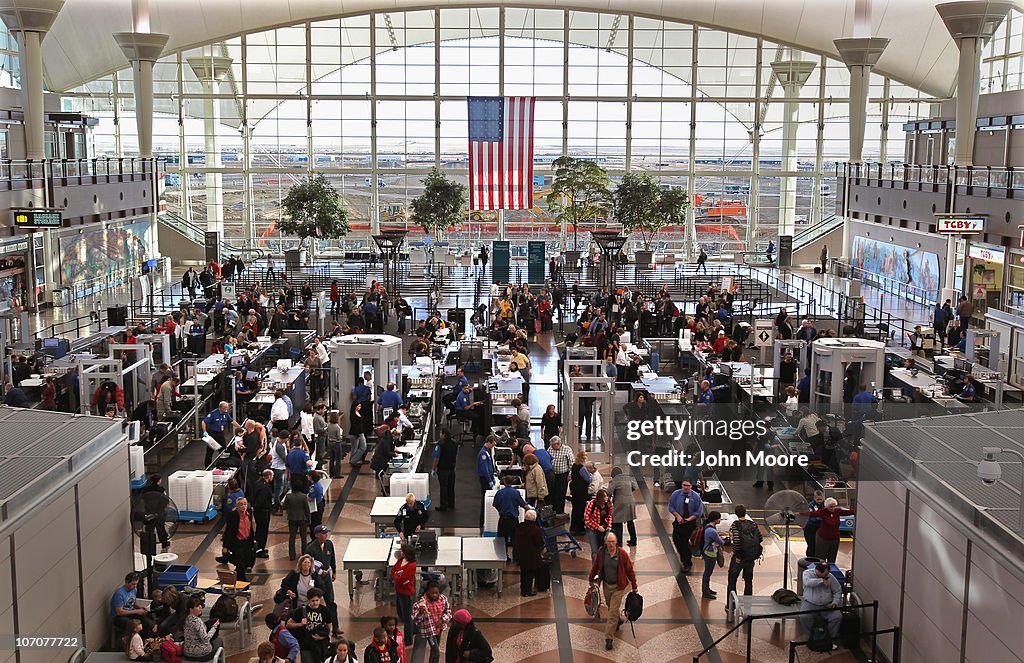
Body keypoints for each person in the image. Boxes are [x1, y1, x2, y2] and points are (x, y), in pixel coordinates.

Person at [589, 532, 638, 651]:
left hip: (618, 587)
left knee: (611, 613)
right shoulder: (601, 552)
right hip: (606, 585)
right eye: (609, 542)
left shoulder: (622, 554)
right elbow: (596, 567)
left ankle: (609, 638)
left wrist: (634, 585)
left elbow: (630, 571)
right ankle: (619, 620)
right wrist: (591, 580)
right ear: (605, 542)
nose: (611, 544)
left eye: (613, 542)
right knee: (611, 608)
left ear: (616, 542)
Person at [726, 505, 762, 610]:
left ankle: (731, 606)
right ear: (745, 512)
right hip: (750, 558)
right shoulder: (753, 524)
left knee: (732, 581)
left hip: (739, 559)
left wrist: (738, 556)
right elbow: (760, 538)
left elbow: (736, 541)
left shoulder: (735, 525)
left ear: (736, 514)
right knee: (748, 581)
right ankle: (747, 606)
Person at [799, 562, 843, 649]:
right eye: (825, 574)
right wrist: (821, 581)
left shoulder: (830, 577)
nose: (826, 576)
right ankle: (812, 637)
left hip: (826, 604)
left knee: (837, 617)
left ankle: (830, 639)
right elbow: (807, 582)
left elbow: (837, 590)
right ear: (818, 571)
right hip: (810, 602)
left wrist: (835, 602)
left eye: (827, 574)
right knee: (804, 616)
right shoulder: (807, 573)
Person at [800, 497, 854, 564]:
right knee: (821, 558)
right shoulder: (823, 512)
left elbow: (850, 512)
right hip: (823, 539)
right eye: (831, 507)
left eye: (834, 506)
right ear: (827, 507)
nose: (833, 508)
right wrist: (798, 513)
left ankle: (830, 569)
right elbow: (810, 514)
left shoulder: (838, 511)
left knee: (832, 557)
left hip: (835, 539)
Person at [304, 524, 338, 629]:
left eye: (326, 533)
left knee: (330, 601)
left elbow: (332, 558)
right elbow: (309, 565)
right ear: (317, 535)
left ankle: (335, 627)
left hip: (327, 577)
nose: (326, 535)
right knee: (315, 602)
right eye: (324, 533)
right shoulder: (310, 548)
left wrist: (334, 571)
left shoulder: (329, 544)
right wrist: (318, 573)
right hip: (316, 579)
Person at [286, 588, 332, 663]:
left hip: (321, 645)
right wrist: (300, 624)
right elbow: (288, 624)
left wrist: (323, 637)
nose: (315, 603)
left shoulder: (324, 610)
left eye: (317, 600)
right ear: (308, 600)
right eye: (313, 601)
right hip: (306, 645)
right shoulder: (301, 610)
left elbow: (329, 626)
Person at [669, 480, 704, 573]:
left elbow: (699, 511)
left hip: (690, 524)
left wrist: (690, 518)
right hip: (679, 522)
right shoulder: (676, 494)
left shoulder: (695, 497)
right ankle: (683, 557)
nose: (686, 487)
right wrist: (677, 516)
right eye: (684, 485)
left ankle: (687, 563)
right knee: (676, 540)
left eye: (688, 485)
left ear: (691, 486)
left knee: (686, 544)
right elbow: (671, 507)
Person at [411, 581, 451, 663]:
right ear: (427, 592)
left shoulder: (443, 599)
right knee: (436, 652)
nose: (435, 595)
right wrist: (420, 612)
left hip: (439, 629)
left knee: (434, 651)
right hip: (429, 632)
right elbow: (415, 618)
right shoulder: (422, 603)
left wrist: (442, 620)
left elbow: (448, 612)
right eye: (432, 593)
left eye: (436, 593)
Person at [218, 497, 256, 581]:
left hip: (247, 542)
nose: (243, 506)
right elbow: (228, 531)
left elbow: (250, 528)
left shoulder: (249, 513)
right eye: (241, 504)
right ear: (237, 506)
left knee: (245, 562)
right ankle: (243, 582)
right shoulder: (232, 516)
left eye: (245, 504)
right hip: (237, 543)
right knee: (240, 564)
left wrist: (253, 540)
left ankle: (238, 577)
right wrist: (225, 546)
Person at [513, 510, 546, 597]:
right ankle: (527, 591)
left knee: (523, 572)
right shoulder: (535, 529)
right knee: (530, 573)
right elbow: (540, 543)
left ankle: (523, 589)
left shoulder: (520, 527)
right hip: (532, 555)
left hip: (521, 554)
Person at [391, 543, 417, 645]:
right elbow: (394, 570)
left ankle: (408, 639)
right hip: (399, 590)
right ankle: (414, 629)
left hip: (406, 592)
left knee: (406, 617)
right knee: (401, 613)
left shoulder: (411, 565)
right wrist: (396, 575)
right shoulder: (401, 560)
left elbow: (402, 579)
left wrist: (396, 575)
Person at [493, 476, 528, 548]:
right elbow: (523, 505)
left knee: (502, 541)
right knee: (515, 540)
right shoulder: (516, 493)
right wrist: (531, 509)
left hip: (503, 519)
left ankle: (502, 554)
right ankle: (515, 554)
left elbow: (495, 504)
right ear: (512, 482)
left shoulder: (499, 493)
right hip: (513, 520)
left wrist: (500, 511)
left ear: (504, 482)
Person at [182, 596, 222, 661]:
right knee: (219, 641)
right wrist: (214, 627)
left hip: (187, 653)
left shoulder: (186, 619)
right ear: (191, 609)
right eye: (197, 606)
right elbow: (206, 639)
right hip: (201, 654)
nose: (200, 607)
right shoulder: (197, 621)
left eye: (200, 605)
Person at [607, 467, 638, 547]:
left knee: (617, 522)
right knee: (630, 521)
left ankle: (619, 543)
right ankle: (633, 540)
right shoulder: (628, 478)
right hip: (631, 502)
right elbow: (635, 486)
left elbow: (609, 491)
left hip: (620, 503)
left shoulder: (614, 480)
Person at [201, 401, 238, 467]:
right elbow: (204, 422)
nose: (226, 409)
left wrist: (240, 427)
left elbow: (232, 421)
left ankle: (223, 463)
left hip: (220, 433)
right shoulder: (213, 413)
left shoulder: (225, 413)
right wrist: (204, 431)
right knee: (210, 450)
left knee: (223, 449)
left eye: (227, 408)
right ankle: (207, 466)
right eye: (225, 408)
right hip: (212, 433)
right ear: (221, 408)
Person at [283, 481, 311, 560]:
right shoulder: (304, 496)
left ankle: (292, 555)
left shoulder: (288, 496)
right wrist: (309, 519)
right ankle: (304, 554)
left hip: (292, 518)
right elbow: (307, 509)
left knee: (292, 537)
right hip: (302, 518)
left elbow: (284, 507)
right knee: (303, 537)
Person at [699, 511, 725, 599]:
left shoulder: (708, 526)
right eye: (719, 518)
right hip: (710, 553)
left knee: (708, 572)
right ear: (715, 519)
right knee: (708, 572)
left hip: (707, 551)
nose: (720, 520)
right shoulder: (712, 531)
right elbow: (721, 542)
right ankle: (705, 591)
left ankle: (707, 589)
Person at [250, 469, 275, 558]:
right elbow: (261, 500)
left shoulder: (257, 482)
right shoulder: (264, 487)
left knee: (260, 529)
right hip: (263, 511)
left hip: (258, 511)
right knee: (262, 531)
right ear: (269, 476)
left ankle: (259, 547)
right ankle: (259, 549)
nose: (273, 477)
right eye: (272, 476)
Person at [584, 488, 613, 560]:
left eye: (607, 496)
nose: (606, 498)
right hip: (592, 528)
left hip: (604, 529)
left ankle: (603, 565)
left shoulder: (609, 505)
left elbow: (609, 516)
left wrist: (609, 526)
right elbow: (587, 519)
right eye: (604, 496)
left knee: (604, 549)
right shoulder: (592, 504)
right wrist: (597, 526)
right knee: (595, 551)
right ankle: (595, 566)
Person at [433, 428, 458, 512]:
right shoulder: (454, 443)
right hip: (452, 468)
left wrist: (434, 468)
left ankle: (443, 506)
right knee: (451, 487)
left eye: (440, 433)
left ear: (443, 434)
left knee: (443, 487)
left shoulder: (440, 444)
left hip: (443, 469)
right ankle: (451, 504)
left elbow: (436, 457)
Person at [547, 436, 573, 514]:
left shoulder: (567, 449)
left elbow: (571, 463)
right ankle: (553, 510)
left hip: (563, 475)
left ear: (558, 444)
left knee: (561, 493)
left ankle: (560, 511)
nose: (551, 447)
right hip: (552, 474)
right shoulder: (550, 449)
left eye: (553, 445)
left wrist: (570, 474)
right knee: (552, 492)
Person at [568, 451, 592, 534]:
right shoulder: (582, 468)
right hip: (581, 491)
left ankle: (573, 527)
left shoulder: (574, 466)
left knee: (575, 509)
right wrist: (591, 475)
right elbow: (588, 479)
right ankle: (579, 528)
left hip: (575, 490)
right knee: (580, 510)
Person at [476, 437, 497, 525]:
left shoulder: (486, 452)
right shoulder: (483, 454)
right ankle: (482, 520)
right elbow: (485, 469)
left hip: (488, 477)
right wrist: (489, 480)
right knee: (485, 499)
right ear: (489, 442)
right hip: (485, 479)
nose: (493, 446)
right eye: (493, 444)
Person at [803, 490, 826, 558]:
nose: (819, 501)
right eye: (817, 499)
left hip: (820, 528)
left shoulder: (825, 505)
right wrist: (819, 518)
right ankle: (810, 558)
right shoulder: (811, 505)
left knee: (820, 545)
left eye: (821, 499)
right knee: (811, 544)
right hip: (810, 527)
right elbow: (810, 517)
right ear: (814, 498)